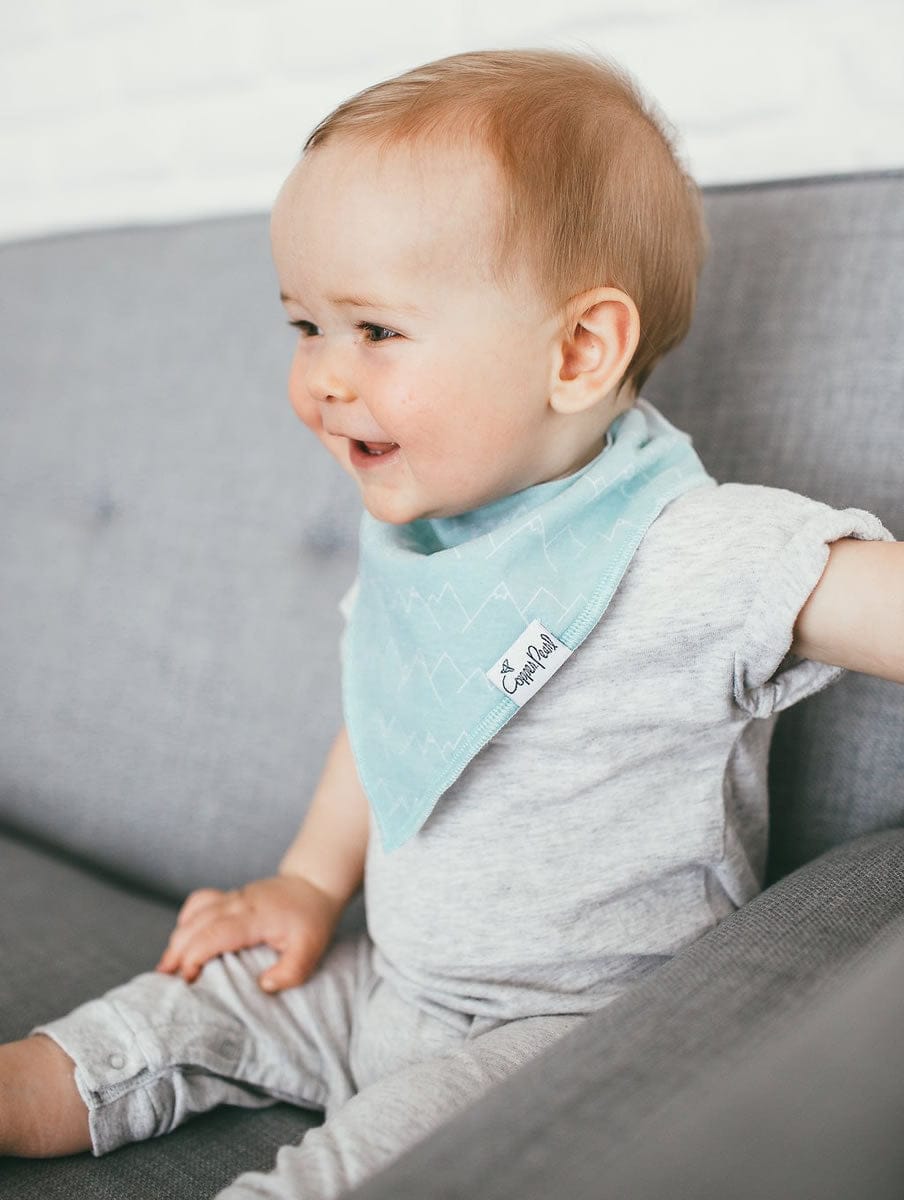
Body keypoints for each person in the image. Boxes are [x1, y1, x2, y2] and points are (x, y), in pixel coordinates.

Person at [1, 45, 901, 1200]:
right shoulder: (426, 542)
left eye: (374, 330)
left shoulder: (690, 548)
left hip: (560, 1037)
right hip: (390, 980)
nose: (324, 377)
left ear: (577, 351)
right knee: (163, 1018)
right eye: (305, 325)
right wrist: (307, 885)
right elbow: (385, 715)